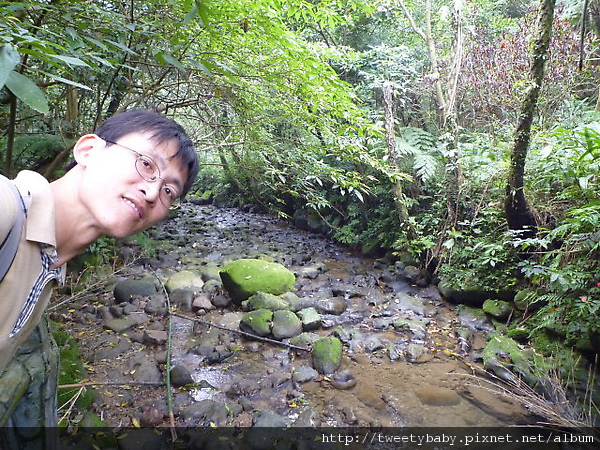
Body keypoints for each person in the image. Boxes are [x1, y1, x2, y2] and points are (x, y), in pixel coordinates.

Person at [0, 109, 199, 448]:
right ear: (88, 151)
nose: (153, 193)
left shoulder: (47, 265)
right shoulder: (6, 210)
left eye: (169, 191)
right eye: (146, 164)